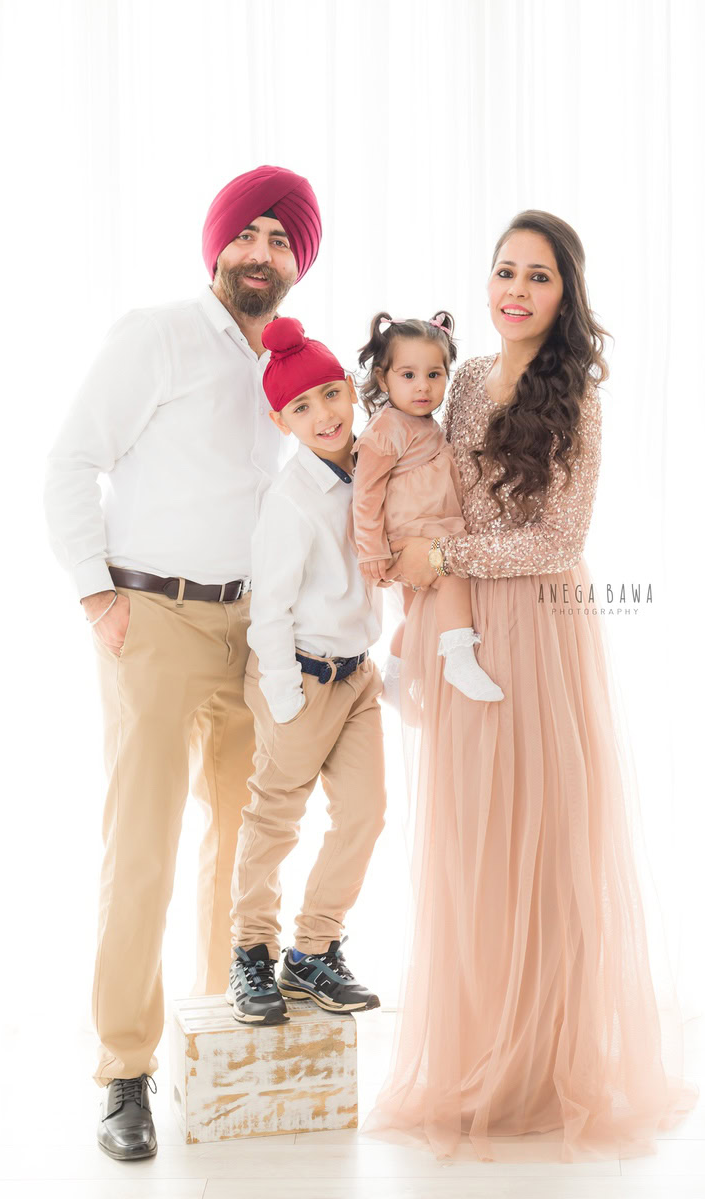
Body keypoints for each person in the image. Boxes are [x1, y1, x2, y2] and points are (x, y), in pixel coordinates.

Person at [363, 211, 699, 1162]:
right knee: (472, 839)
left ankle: (547, 1064)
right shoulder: (463, 378)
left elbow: (560, 538)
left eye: (538, 276)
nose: (515, 289)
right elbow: (428, 485)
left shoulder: (577, 398)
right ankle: (481, 1056)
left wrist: (444, 555)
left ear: (565, 294)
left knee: (547, 843)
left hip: (543, 627)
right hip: (462, 622)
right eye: (505, 270)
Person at [43, 165, 322, 1160]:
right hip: (153, 618)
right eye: (247, 233)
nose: (260, 253)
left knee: (243, 851)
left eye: (280, 240)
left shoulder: (286, 365)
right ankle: (124, 1069)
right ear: (216, 246)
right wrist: (96, 594)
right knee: (144, 848)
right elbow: (71, 461)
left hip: (253, 629)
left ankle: (217, 1048)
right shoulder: (156, 334)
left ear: (297, 263)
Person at [225, 316, 386, 1025]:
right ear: (281, 422)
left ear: (350, 389)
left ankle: (313, 949)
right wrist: (286, 698)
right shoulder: (291, 501)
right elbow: (270, 610)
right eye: (301, 407)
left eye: (330, 394)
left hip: (358, 678)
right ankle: (251, 951)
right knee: (275, 819)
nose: (323, 414)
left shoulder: (373, 466)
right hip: (300, 676)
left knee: (365, 813)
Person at [353, 310, 503, 704]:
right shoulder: (386, 428)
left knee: (419, 616)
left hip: (429, 530)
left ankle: (395, 679)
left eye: (434, 375)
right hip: (409, 538)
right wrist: (371, 550)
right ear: (383, 379)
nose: (423, 386)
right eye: (408, 375)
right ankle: (459, 657)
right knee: (452, 575)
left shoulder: (427, 424)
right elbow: (366, 493)